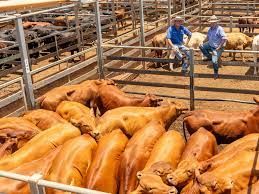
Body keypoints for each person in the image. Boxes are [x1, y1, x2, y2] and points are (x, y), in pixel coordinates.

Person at [199, 15, 227, 79]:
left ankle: (215, 72)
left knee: (214, 60)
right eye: (211, 22)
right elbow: (208, 37)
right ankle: (209, 57)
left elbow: (224, 38)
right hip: (210, 44)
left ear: (216, 22)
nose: (212, 23)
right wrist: (202, 42)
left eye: (213, 22)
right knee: (201, 46)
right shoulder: (210, 29)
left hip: (217, 46)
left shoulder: (220, 29)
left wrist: (219, 47)